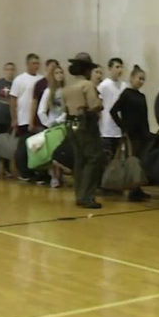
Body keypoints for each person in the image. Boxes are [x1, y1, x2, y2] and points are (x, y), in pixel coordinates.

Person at [63, 52, 104, 209]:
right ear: (87, 70)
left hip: (71, 123)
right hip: (86, 124)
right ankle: (87, 196)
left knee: (79, 159)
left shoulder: (68, 88)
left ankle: (79, 193)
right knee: (93, 158)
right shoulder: (87, 85)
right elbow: (94, 105)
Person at [108, 65, 151, 202]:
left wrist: (147, 133)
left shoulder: (142, 96)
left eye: (143, 79)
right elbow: (113, 111)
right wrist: (123, 127)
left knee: (139, 161)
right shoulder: (126, 94)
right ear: (132, 78)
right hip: (130, 133)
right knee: (132, 160)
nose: (141, 82)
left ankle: (137, 188)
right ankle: (132, 188)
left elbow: (144, 116)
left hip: (141, 134)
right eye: (139, 78)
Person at [11, 53, 42, 180]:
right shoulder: (19, 79)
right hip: (23, 117)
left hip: (36, 119)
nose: (36, 66)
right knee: (23, 147)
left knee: (35, 147)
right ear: (28, 64)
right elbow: (13, 100)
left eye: (37, 63)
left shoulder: (41, 79)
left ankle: (34, 171)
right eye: (34, 63)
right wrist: (14, 118)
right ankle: (23, 172)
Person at [37, 64, 67, 187]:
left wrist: (61, 120)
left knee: (62, 151)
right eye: (56, 73)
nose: (59, 75)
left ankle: (60, 175)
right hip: (51, 126)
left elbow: (68, 109)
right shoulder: (49, 91)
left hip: (63, 124)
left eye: (61, 72)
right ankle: (53, 176)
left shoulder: (66, 90)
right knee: (52, 152)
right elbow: (41, 110)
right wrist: (48, 123)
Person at [99, 57, 127, 174]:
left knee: (117, 158)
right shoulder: (104, 86)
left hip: (119, 128)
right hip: (106, 128)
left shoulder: (124, 86)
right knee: (107, 156)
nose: (119, 70)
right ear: (110, 69)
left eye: (121, 67)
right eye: (116, 67)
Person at [30, 59, 60, 128]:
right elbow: (34, 102)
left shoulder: (58, 84)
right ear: (46, 68)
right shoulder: (40, 83)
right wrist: (31, 122)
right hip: (41, 120)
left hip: (55, 118)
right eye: (52, 66)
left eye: (55, 67)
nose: (53, 69)